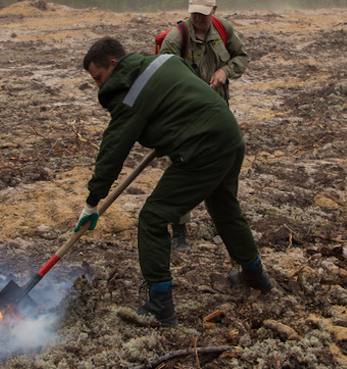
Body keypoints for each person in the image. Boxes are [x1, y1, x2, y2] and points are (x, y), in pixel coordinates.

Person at [78, 36, 273, 326]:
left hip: (203, 148)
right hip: (229, 134)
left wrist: (92, 202)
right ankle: (256, 276)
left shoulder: (130, 97)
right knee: (225, 208)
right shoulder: (164, 61)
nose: (99, 86)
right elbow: (183, 92)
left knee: (153, 217)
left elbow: (113, 150)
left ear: (113, 64)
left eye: (99, 77)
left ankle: (160, 305)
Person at [156, 0, 250, 251]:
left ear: (214, 11)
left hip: (218, 116)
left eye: (203, 14)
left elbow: (242, 57)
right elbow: (161, 79)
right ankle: (179, 232)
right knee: (181, 169)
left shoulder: (224, 30)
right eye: (194, 13)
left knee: (221, 167)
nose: (198, 18)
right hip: (185, 118)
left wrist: (225, 70)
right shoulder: (176, 39)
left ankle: (223, 225)